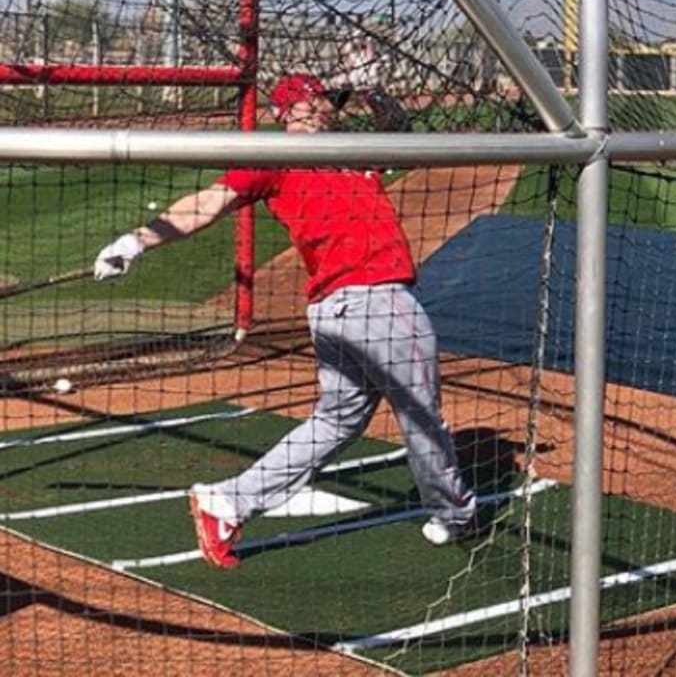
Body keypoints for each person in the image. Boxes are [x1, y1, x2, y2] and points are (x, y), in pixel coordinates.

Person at [91, 73, 476, 568]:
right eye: (313, 102)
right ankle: (455, 513)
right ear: (288, 110)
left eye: (328, 102)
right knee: (421, 412)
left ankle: (228, 501)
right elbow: (209, 204)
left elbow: (400, 131)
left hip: (342, 311)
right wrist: (136, 241)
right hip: (370, 300)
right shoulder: (274, 156)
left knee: (337, 421)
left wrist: (371, 88)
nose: (324, 109)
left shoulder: (353, 152)